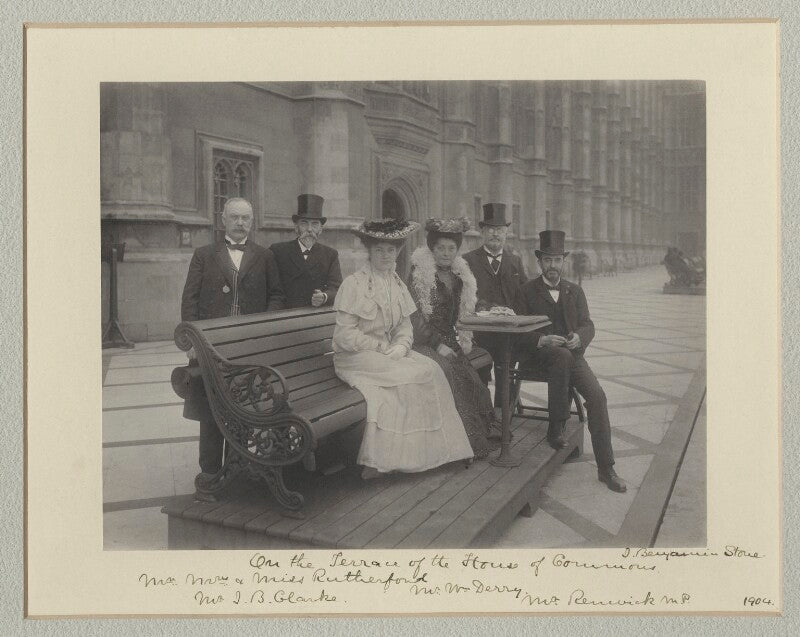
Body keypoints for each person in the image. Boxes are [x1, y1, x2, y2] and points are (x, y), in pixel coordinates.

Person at [332, 218, 474, 479]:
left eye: (391, 250)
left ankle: (430, 453)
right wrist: (379, 346)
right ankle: (381, 460)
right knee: (410, 376)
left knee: (432, 370)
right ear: (370, 252)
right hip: (355, 356)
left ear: (397, 252)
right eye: (379, 250)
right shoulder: (354, 284)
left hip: (387, 353)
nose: (386, 256)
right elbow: (344, 336)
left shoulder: (395, 283)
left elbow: (405, 326)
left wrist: (401, 344)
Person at [180, 197, 285, 492]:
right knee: (211, 413)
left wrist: (261, 329)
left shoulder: (264, 256)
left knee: (244, 410)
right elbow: (190, 299)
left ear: (252, 222)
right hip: (211, 346)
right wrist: (190, 340)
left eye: (246, 219)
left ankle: (238, 475)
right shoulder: (204, 254)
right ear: (223, 219)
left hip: (247, 348)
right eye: (235, 217)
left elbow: (276, 295)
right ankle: (210, 476)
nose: (241, 223)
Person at [518, 230, 626, 493]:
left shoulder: (574, 291)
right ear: (539, 262)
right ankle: (556, 426)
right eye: (547, 261)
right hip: (539, 357)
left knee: (598, 397)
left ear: (563, 262)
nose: (552, 266)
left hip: (573, 356)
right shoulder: (526, 291)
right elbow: (519, 330)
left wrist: (579, 337)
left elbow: (588, 324)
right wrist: (541, 340)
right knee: (561, 357)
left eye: (557, 260)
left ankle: (606, 468)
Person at [407, 217, 502, 459]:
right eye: (440, 248)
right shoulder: (420, 275)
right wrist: (437, 345)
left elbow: (469, 304)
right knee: (453, 375)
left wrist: (493, 309)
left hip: (450, 341)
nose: (446, 254)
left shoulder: (460, 276)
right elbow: (414, 317)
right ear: (432, 249)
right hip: (422, 343)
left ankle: (485, 429)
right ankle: (466, 442)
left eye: (451, 249)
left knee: (471, 377)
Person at [462, 202, 528, 403]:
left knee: (506, 378)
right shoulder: (468, 260)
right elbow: (464, 296)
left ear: (506, 232)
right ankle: (483, 419)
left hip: (508, 335)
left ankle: (504, 419)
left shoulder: (515, 261)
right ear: (482, 232)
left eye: (499, 230)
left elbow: (524, 295)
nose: (495, 234)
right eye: (490, 229)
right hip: (480, 334)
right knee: (479, 376)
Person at [270, 194, 343, 308]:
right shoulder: (278, 251)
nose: (309, 229)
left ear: (321, 229)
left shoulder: (330, 255)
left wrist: (324, 297)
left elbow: (337, 289)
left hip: (314, 317)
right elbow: (271, 290)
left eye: (315, 224)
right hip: (284, 317)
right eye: (304, 223)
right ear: (296, 227)